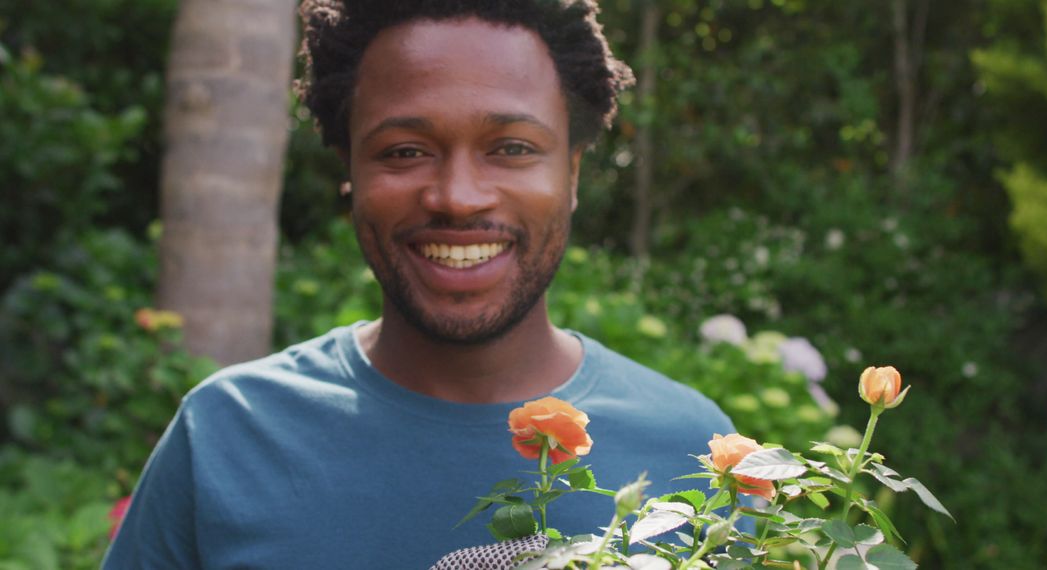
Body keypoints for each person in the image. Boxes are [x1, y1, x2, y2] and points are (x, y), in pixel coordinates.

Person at [103, 1, 739, 568]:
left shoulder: (692, 452)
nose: (458, 198)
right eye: (405, 151)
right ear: (349, 169)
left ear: (571, 174)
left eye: (512, 147)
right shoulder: (227, 436)